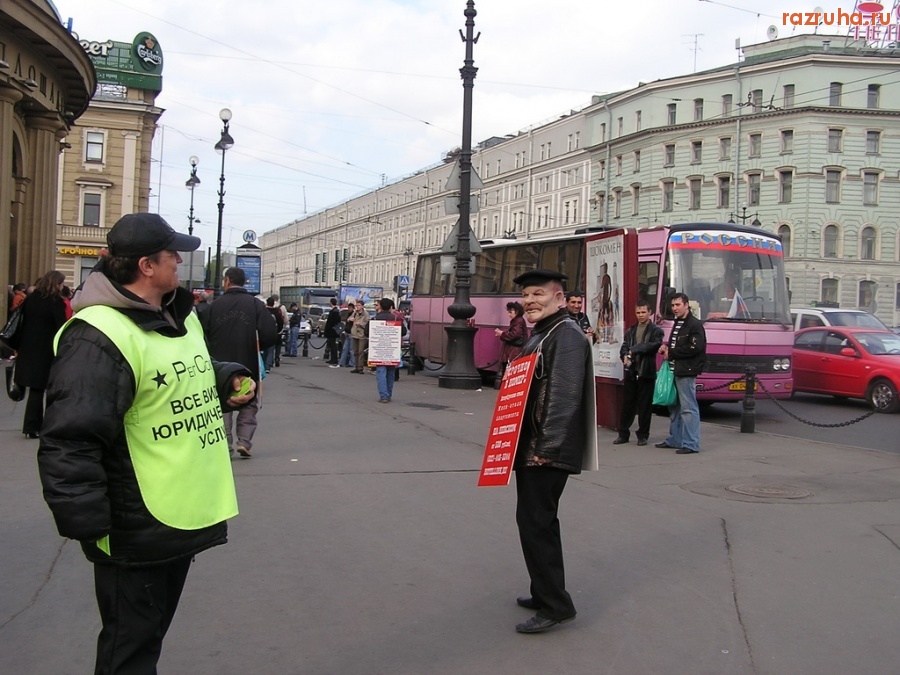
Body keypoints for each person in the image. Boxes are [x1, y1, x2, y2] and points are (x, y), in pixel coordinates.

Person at [36, 212, 255, 674]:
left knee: (146, 639)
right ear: (146, 266)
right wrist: (90, 522)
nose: (179, 260)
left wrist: (226, 379)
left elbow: (176, 374)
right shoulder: (98, 336)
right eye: (171, 253)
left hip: (176, 513)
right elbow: (71, 437)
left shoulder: (179, 315)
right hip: (133, 522)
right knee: (130, 651)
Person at [510, 268, 594, 634]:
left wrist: (547, 447)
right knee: (536, 521)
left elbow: (563, 396)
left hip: (544, 449)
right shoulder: (545, 332)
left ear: (559, 298)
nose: (529, 301)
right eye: (526, 295)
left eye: (538, 294)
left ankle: (556, 605)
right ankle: (543, 591)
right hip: (533, 444)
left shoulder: (566, 335)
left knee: (537, 523)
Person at [202, 266, 278, 458]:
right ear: (244, 282)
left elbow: (202, 333)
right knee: (248, 402)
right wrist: (257, 346)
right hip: (247, 360)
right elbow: (270, 333)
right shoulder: (255, 305)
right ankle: (244, 441)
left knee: (223, 404)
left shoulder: (215, 306)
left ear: (227, 281)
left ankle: (225, 444)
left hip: (221, 364)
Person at [13, 270, 67, 438]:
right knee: (43, 388)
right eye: (61, 283)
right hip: (46, 350)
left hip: (28, 347)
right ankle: (35, 425)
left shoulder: (31, 298)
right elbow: (61, 326)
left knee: (36, 388)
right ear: (56, 284)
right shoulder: (55, 301)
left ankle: (33, 425)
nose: (62, 287)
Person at [657, 292, 707, 454]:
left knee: (688, 408)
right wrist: (666, 347)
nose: (675, 308)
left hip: (686, 370)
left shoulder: (694, 324)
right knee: (675, 408)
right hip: (675, 369)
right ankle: (675, 439)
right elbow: (677, 344)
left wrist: (671, 353)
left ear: (686, 305)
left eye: (678, 305)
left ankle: (691, 443)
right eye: (673, 305)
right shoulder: (678, 322)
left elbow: (695, 348)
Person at [614, 301, 664, 446]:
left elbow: (653, 345)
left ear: (649, 313)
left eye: (643, 312)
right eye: (638, 312)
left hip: (646, 372)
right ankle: (623, 434)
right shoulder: (630, 330)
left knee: (645, 406)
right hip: (631, 372)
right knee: (627, 405)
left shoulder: (656, 331)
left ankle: (643, 435)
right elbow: (624, 347)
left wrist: (635, 349)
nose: (640, 315)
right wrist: (624, 356)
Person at [371, 297, 406, 402]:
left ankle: (384, 396)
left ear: (380, 307)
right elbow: (404, 332)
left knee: (381, 372)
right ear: (391, 307)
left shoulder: (375, 319)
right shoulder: (396, 319)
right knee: (391, 372)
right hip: (392, 348)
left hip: (379, 348)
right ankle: (388, 394)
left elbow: (367, 332)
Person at [494, 301, 527, 369]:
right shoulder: (517, 320)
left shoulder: (518, 321)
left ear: (517, 312)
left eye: (510, 312)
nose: (509, 314)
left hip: (514, 352)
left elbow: (514, 335)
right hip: (514, 352)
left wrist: (502, 334)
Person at [264, 296, 285, 369]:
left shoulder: (263, 311)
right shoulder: (277, 312)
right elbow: (281, 322)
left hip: (264, 333)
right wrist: (278, 331)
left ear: (267, 303)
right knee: (271, 349)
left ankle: (264, 364)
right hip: (274, 333)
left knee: (264, 349)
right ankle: (269, 365)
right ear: (273, 303)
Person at [349, 301, 369, 374]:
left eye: (359, 305)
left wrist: (361, 324)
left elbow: (367, 323)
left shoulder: (366, 314)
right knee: (355, 351)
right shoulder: (355, 313)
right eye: (356, 305)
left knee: (361, 352)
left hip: (362, 335)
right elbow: (349, 318)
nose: (357, 307)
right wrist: (350, 319)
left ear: (362, 306)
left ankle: (360, 368)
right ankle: (356, 367)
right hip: (354, 334)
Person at [338, 301, 357, 368]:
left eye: (350, 308)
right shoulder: (348, 314)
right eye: (348, 308)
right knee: (345, 348)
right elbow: (347, 324)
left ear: (353, 308)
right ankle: (342, 362)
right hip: (347, 333)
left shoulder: (354, 315)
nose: (349, 309)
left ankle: (352, 363)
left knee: (351, 350)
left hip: (352, 333)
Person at [324, 297, 341, 367]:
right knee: (331, 345)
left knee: (333, 345)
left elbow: (332, 322)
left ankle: (334, 359)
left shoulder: (335, 311)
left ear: (331, 303)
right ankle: (332, 358)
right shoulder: (334, 311)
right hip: (332, 331)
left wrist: (329, 328)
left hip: (332, 331)